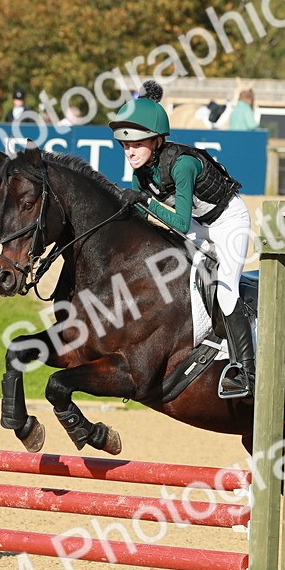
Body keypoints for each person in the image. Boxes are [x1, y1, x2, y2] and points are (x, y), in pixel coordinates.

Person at [109, 80, 255, 398]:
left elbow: (179, 219)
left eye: (136, 144)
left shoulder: (183, 165)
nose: (129, 151)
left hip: (229, 224)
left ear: (158, 140)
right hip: (198, 226)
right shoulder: (142, 173)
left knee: (227, 293)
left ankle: (247, 372)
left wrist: (145, 203)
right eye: (124, 145)